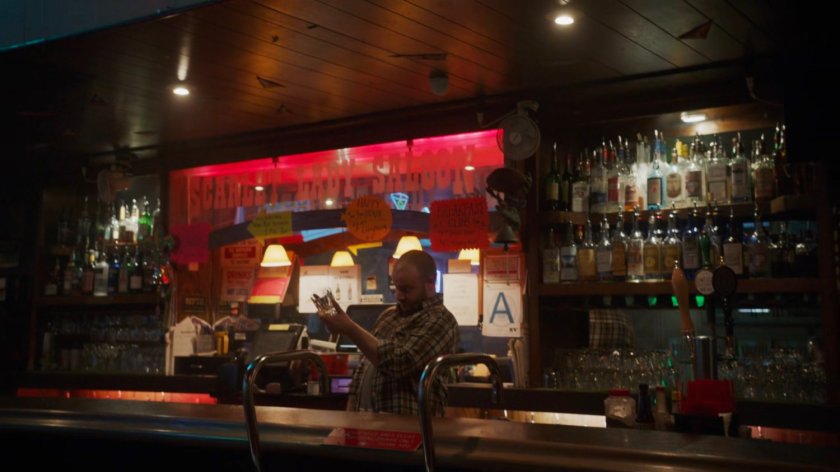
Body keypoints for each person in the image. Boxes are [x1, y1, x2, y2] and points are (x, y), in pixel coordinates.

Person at [316, 249, 459, 415]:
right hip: (372, 425)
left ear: (430, 282)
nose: (399, 296)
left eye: (406, 289)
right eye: (396, 288)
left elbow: (400, 362)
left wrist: (350, 328)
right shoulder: (389, 316)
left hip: (413, 428)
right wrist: (350, 417)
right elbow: (364, 368)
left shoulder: (440, 320)